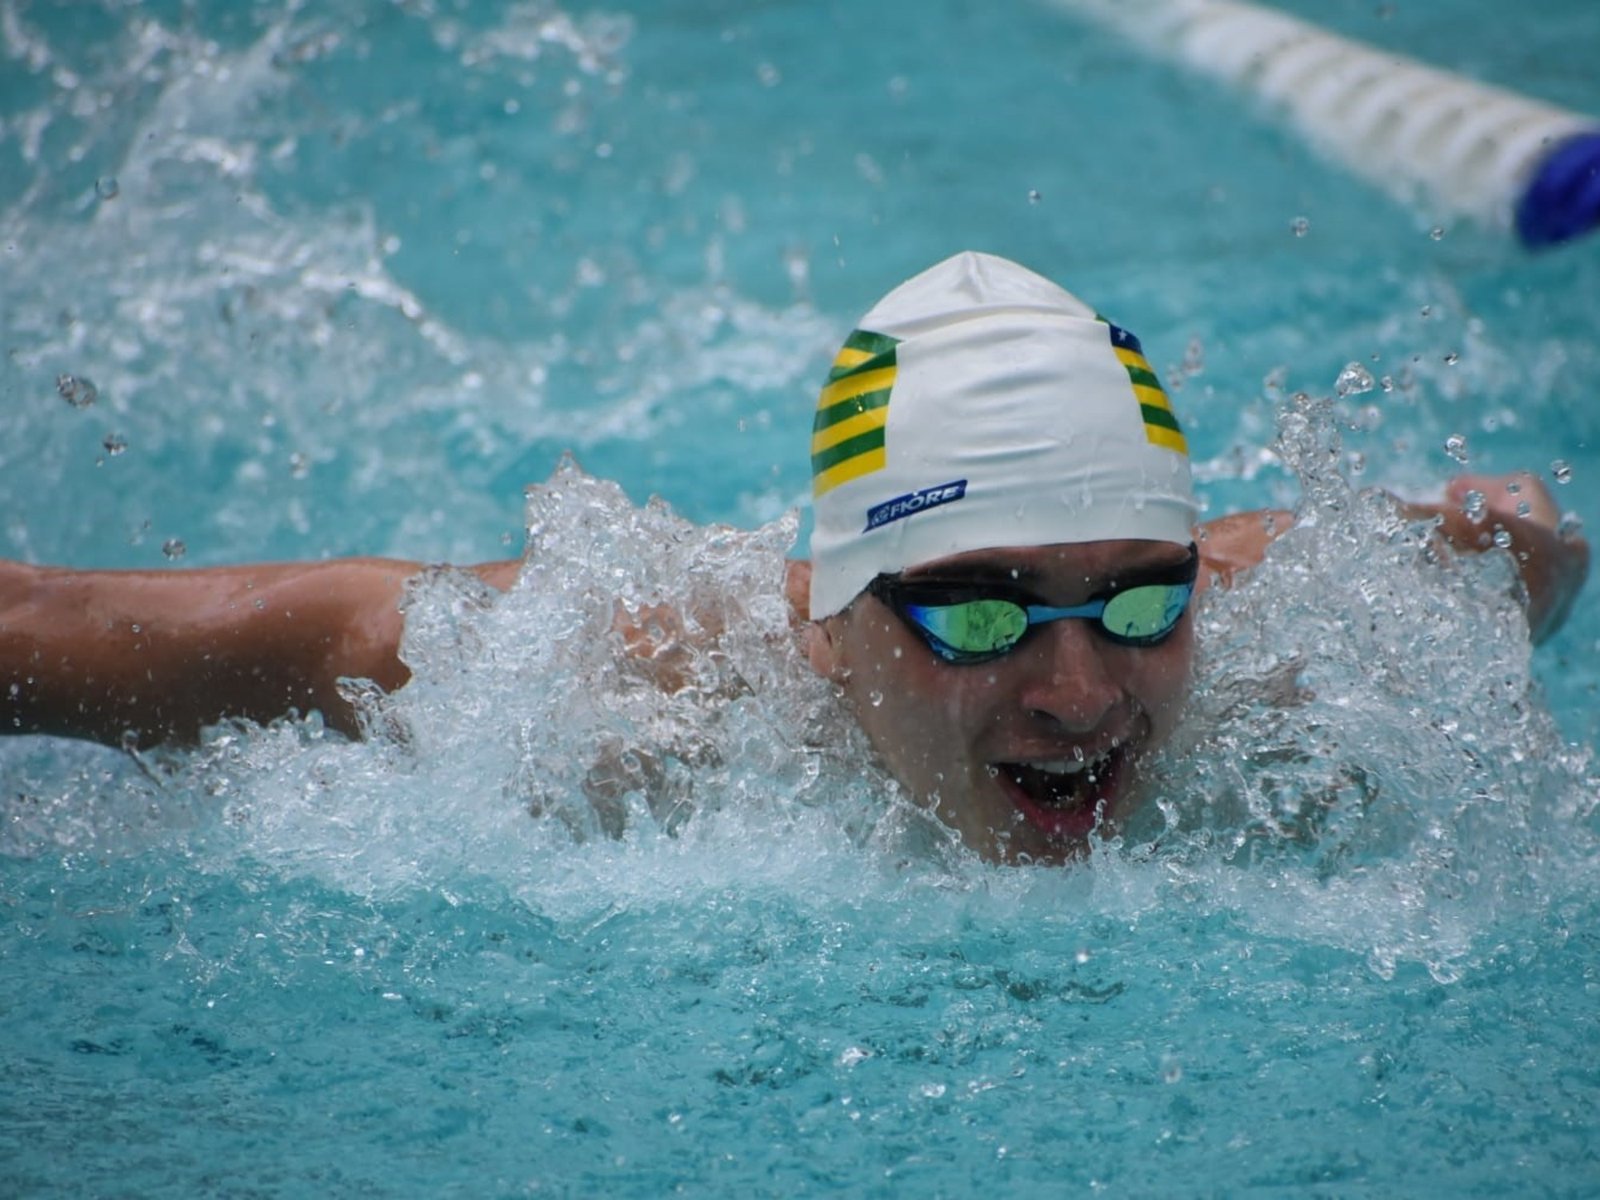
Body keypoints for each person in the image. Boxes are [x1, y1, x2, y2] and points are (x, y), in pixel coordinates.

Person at [1, 252, 1587, 863]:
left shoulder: (1268, 633)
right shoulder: (599, 688)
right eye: (977, 609)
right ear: (824, 623)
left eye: (1141, 596)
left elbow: (1506, 552)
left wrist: (1506, 547)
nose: (1082, 687)